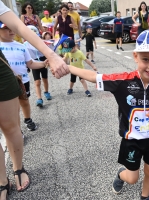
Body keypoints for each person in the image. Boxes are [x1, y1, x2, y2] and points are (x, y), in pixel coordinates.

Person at [65, 30, 149, 200]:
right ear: (135, 56)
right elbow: (95, 77)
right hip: (131, 141)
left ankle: (145, 197)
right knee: (132, 178)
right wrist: (67, 67)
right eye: (146, 60)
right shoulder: (122, 81)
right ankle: (121, 174)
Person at [0, 3, 69, 197]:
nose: (9, 31)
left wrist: (50, 55)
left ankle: (18, 168)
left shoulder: (20, 46)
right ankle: (2, 180)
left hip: (5, 76)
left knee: (11, 126)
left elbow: (19, 27)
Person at [0, 23, 47, 131]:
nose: (11, 31)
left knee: (24, 102)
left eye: (12, 28)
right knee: (13, 107)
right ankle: (17, 129)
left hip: (23, 80)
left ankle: (28, 119)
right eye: (6, 28)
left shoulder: (22, 46)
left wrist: (44, 63)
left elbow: (30, 63)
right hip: (6, 83)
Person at [23, 30, 53, 107]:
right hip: (34, 63)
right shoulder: (25, 44)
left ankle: (46, 92)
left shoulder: (41, 42)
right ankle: (39, 99)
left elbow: (49, 48)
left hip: (43, 61)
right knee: (37, 82)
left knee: (45, 79)